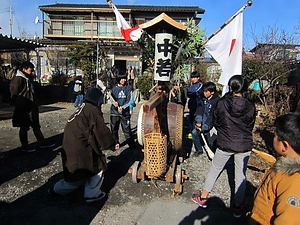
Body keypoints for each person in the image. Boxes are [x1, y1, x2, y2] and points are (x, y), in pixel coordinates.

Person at [191, 75, 256, 218]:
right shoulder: (250, 106)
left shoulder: (222, 103)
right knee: (240, 176)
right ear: (244, 89)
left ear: (230, 87)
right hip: (244, 144)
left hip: (225, 142)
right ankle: (237, 207)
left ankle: (203, 197)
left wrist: (224, 132)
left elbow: (216, 121)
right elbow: (250, 125)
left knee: (215, 169)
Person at [48, 87, 118, 203]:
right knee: (97, 167)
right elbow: (101, 131)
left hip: (69, 146)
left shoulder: (83, 107)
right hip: (80, 148)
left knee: (74, 176)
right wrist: (111, 144)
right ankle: (91, 194)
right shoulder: (92, 110)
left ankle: (56, 190)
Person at [248, 112, 300, 225]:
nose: (273, 138)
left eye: (275, 136)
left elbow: (288, 221)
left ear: (285, 146)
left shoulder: (294, 181)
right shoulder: (285, 163)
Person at [9, 61, 54, 152]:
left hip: (31, 105)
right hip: (24, 106)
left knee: (36, 125)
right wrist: (19, 103)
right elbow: (14, 94)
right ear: (24, 69)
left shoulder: (27, 79)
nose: (32, 72)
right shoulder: (18, 79)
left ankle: (42, 143)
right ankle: (24, 145)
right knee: (24, 126)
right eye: (30, 70)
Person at [191, 82, 219, 157]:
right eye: (204, 91)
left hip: (212, 124)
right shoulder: (202, 99)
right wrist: (199, 121)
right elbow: (199, 110)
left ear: (212, 92)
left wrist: (206, 125)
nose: (204, 93)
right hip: (202, 122)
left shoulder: (217, 101)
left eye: (206, 91)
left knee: (211, 142)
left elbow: (213, 116)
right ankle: (199, 150)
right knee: (194, 133)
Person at [110, 74, 136, 149]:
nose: (124, 80)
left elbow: (130, 100)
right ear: (119, 79)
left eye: (125, 78)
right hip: (114, 112)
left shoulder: (128, 88)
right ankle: (116, 142)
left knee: (127, 130)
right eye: (122, 78)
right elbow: (111, 98)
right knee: (114, 129)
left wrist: (123, 107)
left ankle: (132, 145)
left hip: (125, 113)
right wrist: (113, 103)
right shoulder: (114, 88)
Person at [187, 71, 203, 139]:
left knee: (197, 119)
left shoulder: (200, 85)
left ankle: (197, 133)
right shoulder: (191, 86)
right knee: (191, 119)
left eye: (194, 77)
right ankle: (191, 132)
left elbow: (196, 93)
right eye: (192, 77)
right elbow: (189, 93)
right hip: (192, 105)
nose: (193, 79)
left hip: (198, 105)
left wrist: (192, 94)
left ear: (198, 78)